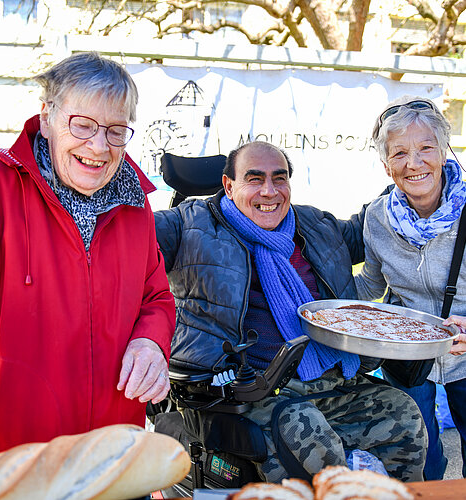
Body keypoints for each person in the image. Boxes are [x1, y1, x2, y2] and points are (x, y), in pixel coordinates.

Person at [154, 141, 426, 482]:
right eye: (254, 179)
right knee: (307, 435)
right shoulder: (190, 226)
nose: (269, 191)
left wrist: (408, 181)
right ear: (229, 186)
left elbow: (369, 227)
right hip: (252, 389)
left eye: (279, 178)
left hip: (330, 376)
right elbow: (130, 239)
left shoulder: (314, 224)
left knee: (403, 414)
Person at [0, 52, 175, 456]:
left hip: (113, 457)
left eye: (116, 130)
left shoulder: (135, 205)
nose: (98, 146)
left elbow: (157, 299)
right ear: (47, 118)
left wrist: (151, 343)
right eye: (82, 125)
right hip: (10, 463)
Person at [355, 96, 466, 480]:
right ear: (387, 166)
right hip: (407, 357)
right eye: (399, 152)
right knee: (420, 461)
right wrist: (305, 291)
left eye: (425, 149)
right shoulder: (378, 218)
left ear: (444, 151)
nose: (414, 163)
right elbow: (368, 284)